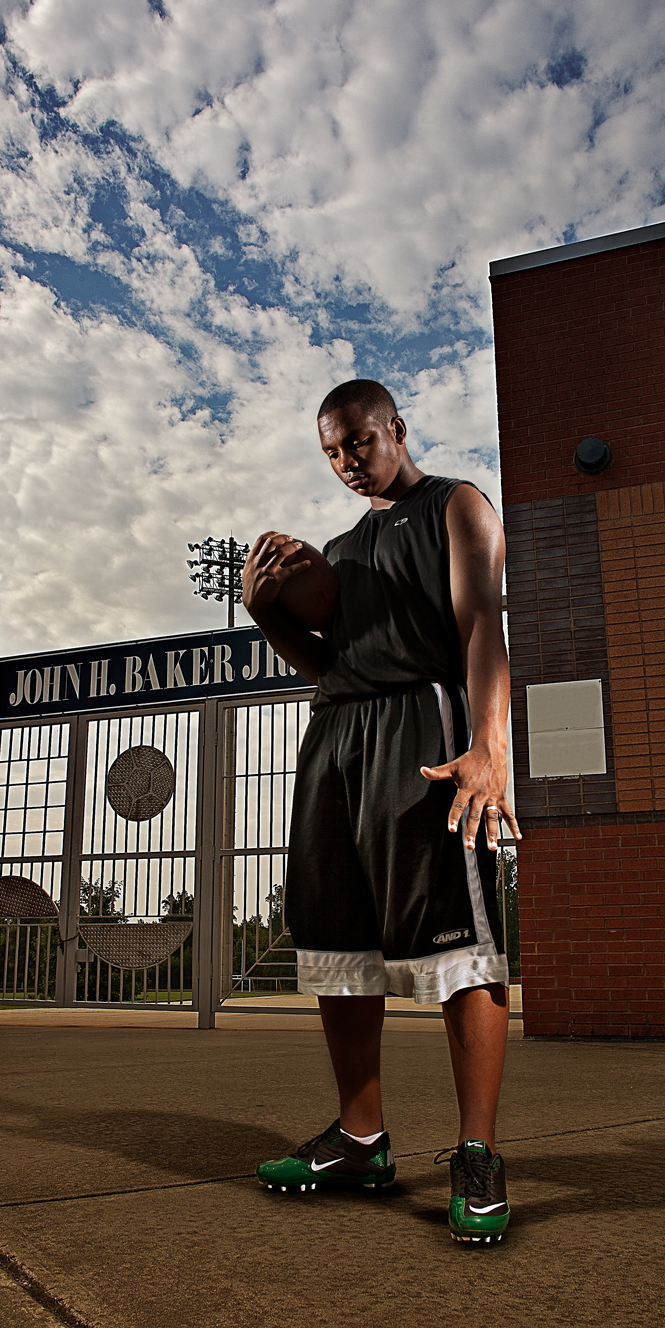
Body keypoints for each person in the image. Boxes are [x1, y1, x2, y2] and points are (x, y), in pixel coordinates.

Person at [241, 379, 521, 1244]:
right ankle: (361, 1139)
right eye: (332, 451)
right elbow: (329, 665)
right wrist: (264, 613)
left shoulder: (456, 504)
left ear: (395, 427)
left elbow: (482, 624)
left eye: (359, 441)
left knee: (458, 946)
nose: (348, 462)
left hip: (422, 725)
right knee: (338, 942)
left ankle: (477, 1151)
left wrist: (490, 748)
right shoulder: (339, 550)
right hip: (337, 736)